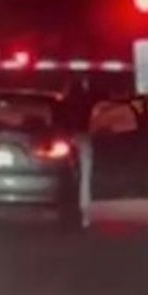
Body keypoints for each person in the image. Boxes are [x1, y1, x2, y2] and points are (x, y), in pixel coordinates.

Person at [61, 78, 99, 228]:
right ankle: (85, 215)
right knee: (85, 176)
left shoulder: (65, 103)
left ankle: (72, 210)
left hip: (68, 137)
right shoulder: (88, 102)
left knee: (68, 173)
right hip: (83, 137)